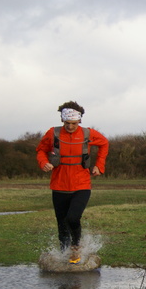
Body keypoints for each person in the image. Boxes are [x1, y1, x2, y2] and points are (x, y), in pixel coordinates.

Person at [36, 101, 109, 264]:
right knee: (62, 225)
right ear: (62, 121)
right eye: (67, 123)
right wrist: (43, 163)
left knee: (73, 218)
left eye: (74, 123)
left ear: (79, 121)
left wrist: (99, 165)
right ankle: (64, 256)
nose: (70, 127)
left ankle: (76, 248)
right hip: (59, 186)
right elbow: (40, 150)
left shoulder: (87, 134)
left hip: (81, 185)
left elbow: (104, 144)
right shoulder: (52, 133)